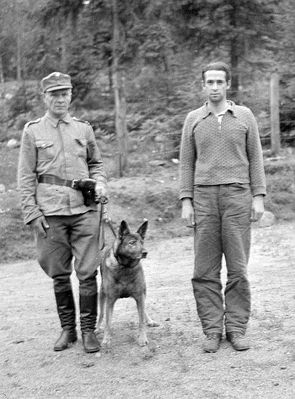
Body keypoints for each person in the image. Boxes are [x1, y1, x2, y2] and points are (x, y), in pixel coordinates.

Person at [18, 72, 108, 353]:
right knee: (58, 273)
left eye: (64, 93)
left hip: (84, 210)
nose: (60, 99)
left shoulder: (83, 129)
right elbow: (25, 177)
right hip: (50, 213)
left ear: (71, 95)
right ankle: (68, 330)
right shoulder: (32, 131)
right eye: (54, 94)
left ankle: (89, 331)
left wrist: (101, 182)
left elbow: (96, 164)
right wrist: (32, 213)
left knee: (87, 272)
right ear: (44, 97)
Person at [179, 61, 266, 353]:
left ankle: (237, 329)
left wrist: (258, 197)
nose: (214, 87)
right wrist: (186, 201)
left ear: (227, 84)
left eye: (219, 82)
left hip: (237, 196)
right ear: (202, 85)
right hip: (204, 199)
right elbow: (187, 164)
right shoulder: (193, 119)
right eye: (209, 82)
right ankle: (212, 330)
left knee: (238, 269)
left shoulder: (244, 116)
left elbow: (255, 158)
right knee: (204, 269)